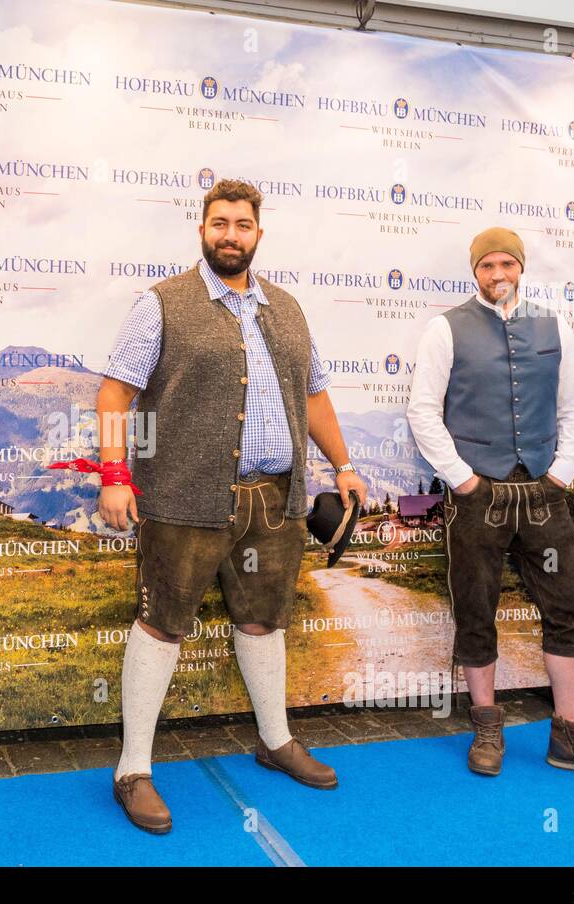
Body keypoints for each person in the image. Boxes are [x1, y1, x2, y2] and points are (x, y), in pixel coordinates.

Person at [95, 179, 367, 834]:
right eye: (219, 223)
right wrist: (114, 474)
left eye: (242, 225)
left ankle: (274, 742)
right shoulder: (161, 303)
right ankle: (132, 769)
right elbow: (115, 395)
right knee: (161, 623)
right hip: (183, 497)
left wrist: (345, 464)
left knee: (263, 621)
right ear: (202, 229)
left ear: (257, 234)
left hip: (275, 501)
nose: (230, 234)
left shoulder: (289, 309)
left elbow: (314, 397)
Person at [405, 226, 574, 782]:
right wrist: (463, 481)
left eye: (506, 265)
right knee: (476, 609)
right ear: (475, 272)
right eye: (486, 266)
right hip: (478, 498)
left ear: (520, 268)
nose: (497, 275)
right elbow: (422, 410)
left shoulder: (553, 326)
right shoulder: (446, 329)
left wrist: (561, 473)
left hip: (542, 492)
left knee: (566, 605)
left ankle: (570, 733)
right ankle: (488, 726)